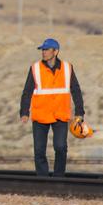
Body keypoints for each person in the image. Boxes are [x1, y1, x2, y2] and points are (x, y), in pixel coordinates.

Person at [19, 37, 85, 177]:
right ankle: (42, 178)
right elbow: (27, 91)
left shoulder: (67, 68)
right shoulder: (35, 68)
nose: (43, 52)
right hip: (40, 115)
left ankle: (58, 177)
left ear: (55, 51)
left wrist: (80, 112)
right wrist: (24, 112)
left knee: (61, 147)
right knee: (39, 150)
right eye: (42, 50)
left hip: (60, 114)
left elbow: (76, 90)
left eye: (46, 49)